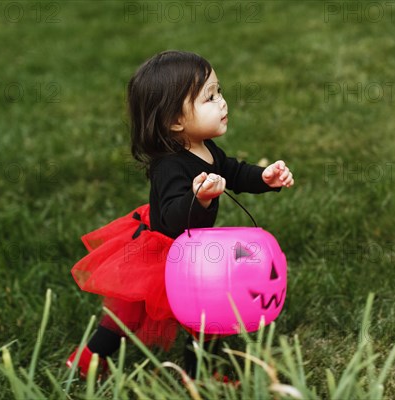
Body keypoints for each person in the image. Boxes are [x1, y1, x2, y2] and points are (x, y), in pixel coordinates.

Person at [66, 50, 294, 379]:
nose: (223, 102)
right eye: (210, 97)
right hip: (162, 253)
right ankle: (88, 359)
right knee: (125, 318)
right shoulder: (169, 165)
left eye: (219, 92)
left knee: (204, 317)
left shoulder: (204, 147)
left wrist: (264, 178)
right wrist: (198, 199)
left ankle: (202, 371)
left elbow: (233, 171)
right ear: (175, 120)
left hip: (192, 252)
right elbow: (175, 215)